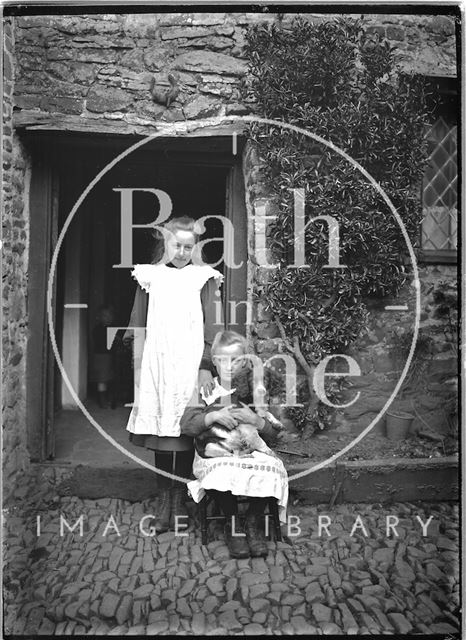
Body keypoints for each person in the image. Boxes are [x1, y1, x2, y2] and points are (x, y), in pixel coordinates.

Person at [124, 216, 223, 532]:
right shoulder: (149, 277)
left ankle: (180, 502)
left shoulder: (202, 278)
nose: (181, 251)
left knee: (183, 435)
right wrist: (139, 369)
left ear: (195, 248)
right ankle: (164, 504)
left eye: (188, 246)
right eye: (176, 244)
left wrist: (205, 366)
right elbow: (137, 326)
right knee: (161, 438)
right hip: (158, 369)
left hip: (190, 368)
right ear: (164, 244)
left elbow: (213, 327)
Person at [179, 330, 289, 559]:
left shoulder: (252, 392)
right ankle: (232, 523)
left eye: (236, 361)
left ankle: (252, 521)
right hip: (216, 453)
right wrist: (212, 417)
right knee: (223, 472)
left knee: (272, 468)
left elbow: (273, 436)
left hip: (249, 450)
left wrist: (256, 420)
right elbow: (187, 426)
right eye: (223, 361)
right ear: (215, 362)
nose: (229, 367)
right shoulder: (205, 390)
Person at [90, 306, 116, 408]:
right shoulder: (98, 329)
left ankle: (106, 398)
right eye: (105, 316)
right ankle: (102, 401)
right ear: (100, 317)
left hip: (109, 356)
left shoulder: (111, 328)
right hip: (101, 356)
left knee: (108, 377)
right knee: (102, 379)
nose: (108, 318)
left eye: (110, 315)